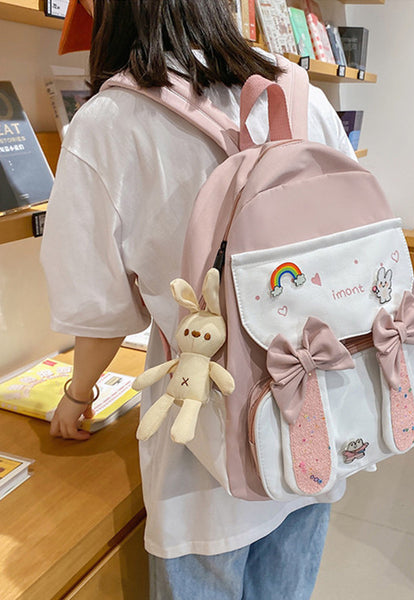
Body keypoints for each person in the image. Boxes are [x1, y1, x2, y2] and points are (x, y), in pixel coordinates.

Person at [41, 1, 357, 598]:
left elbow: (102, 312)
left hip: (202, 444)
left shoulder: (109, 121)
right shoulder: (299, 91)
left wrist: (77, 396)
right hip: (317, 408)